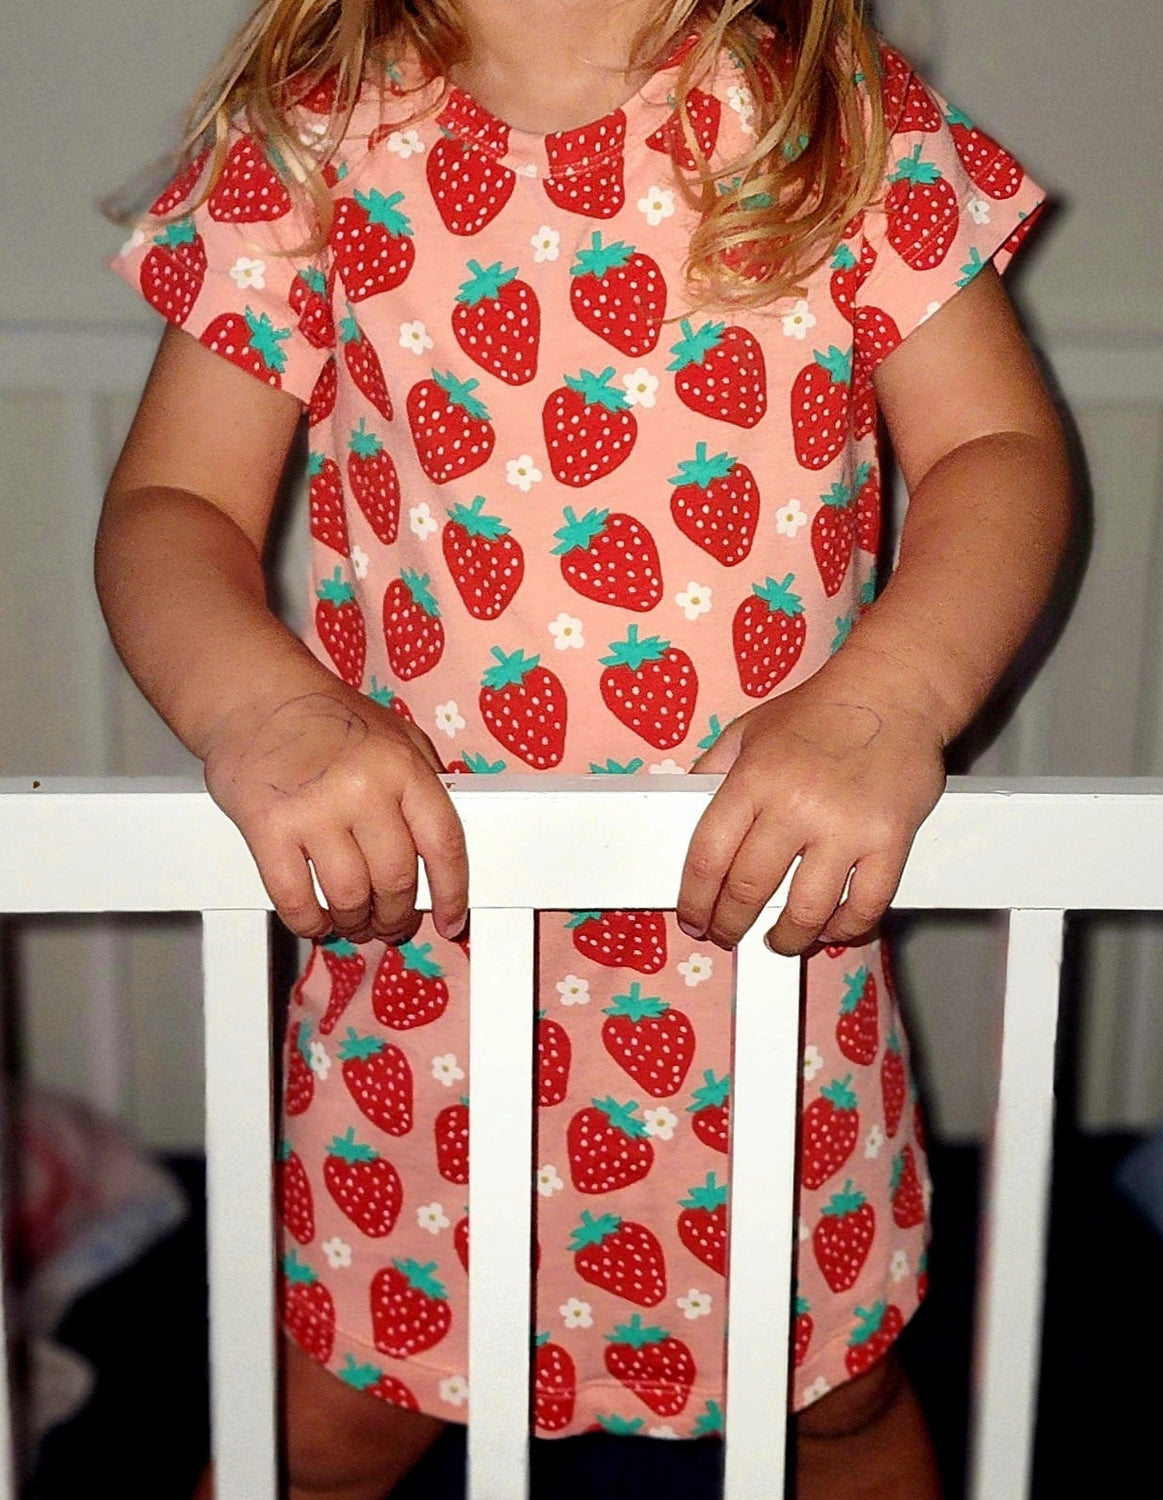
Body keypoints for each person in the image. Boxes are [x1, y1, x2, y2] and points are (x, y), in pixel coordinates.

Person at [98, 1, 1070, 1496]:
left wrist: (885, 706)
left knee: (836, 1395)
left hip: (763, 952)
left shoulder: (823, 117)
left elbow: (995, 453)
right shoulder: (313, 137)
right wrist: (263, 708)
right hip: (426, 951)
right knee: (333, 1418)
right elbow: (176, 506)